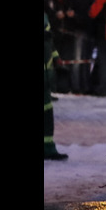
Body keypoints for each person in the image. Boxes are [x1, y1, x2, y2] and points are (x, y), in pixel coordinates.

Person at [45, 12, 68, 161]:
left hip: (46, 76)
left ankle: (48, 147)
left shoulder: (45, 15)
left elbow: (49, 42)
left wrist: (56, 58)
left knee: (47, 113)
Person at [71, 0, 99, 93]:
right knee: (78, 60)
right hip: (78, 30)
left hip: (90, 30)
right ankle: (76, 86)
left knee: (86, 60)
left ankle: (85, 85)